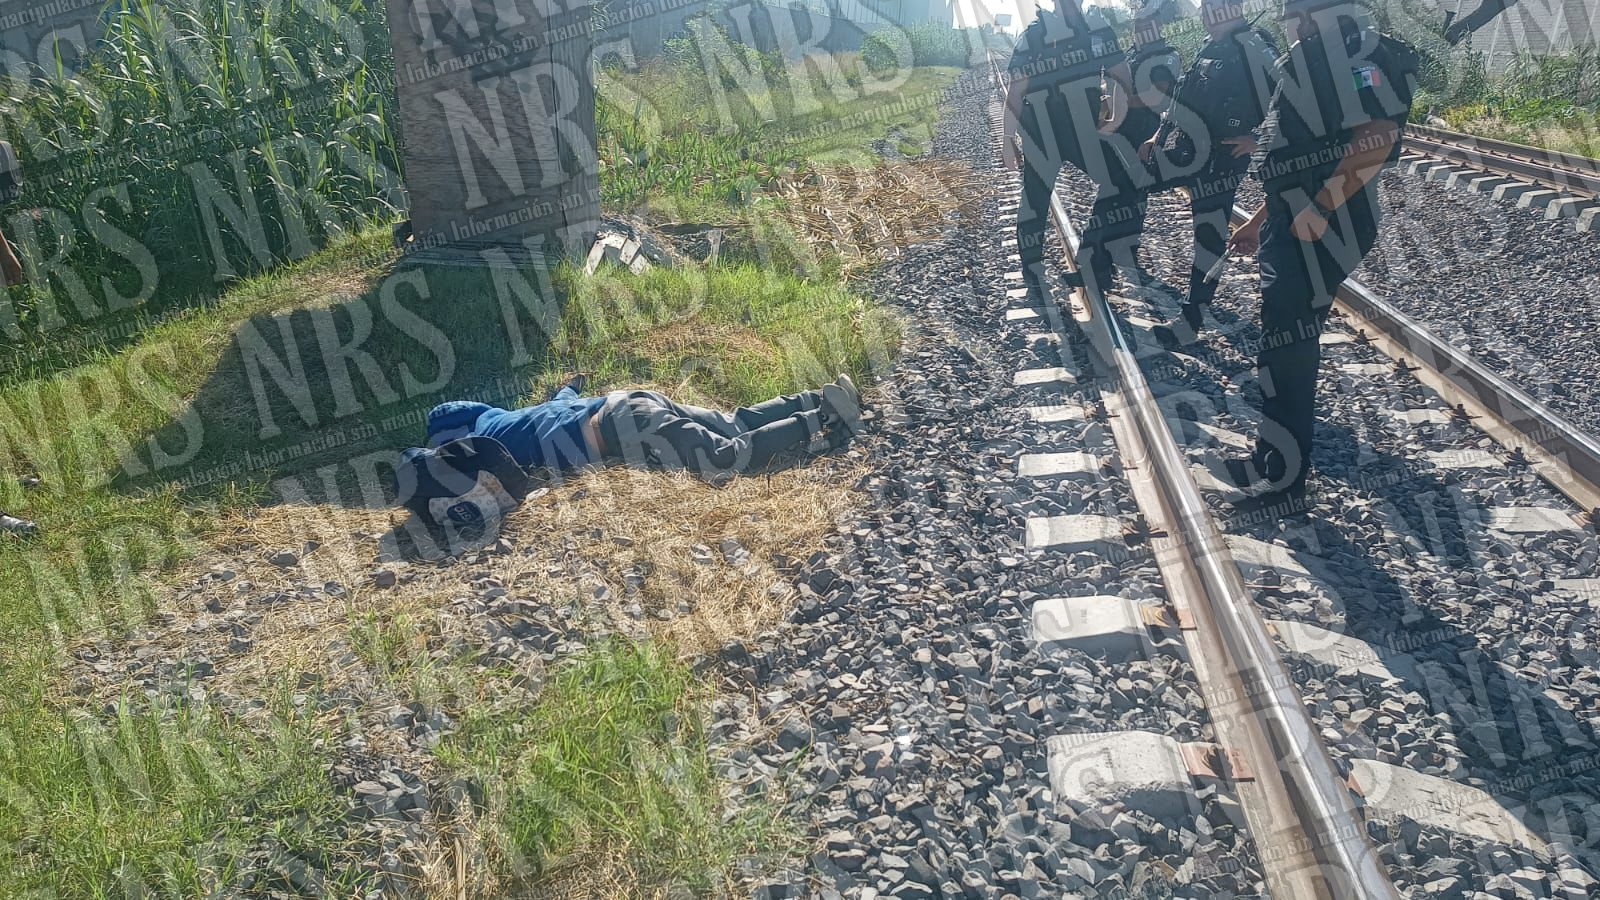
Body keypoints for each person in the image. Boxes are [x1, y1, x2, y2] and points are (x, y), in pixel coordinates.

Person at [1222, 0, 1418, 514]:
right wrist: (1260, 220)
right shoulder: (1306, 57)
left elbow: (1378, 138)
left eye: (1293, 12)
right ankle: (1271, 458)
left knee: (1289, 345)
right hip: (1294, 218)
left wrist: (1320, 207)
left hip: (1328, 222)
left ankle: (1285, 483)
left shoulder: (1358, 53)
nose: (1288, 21)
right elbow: (1289, 156)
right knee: (1278, 340)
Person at [423, 374, 863, 483]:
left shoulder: (489, 444)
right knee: (735, 422)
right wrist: (570, 386)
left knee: (722, 459)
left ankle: (822, 419)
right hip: (630, 401)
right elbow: (561, 401)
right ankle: (815, 398)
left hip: (623, 424)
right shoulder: (512, 417)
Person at [1144, 0, 1282, 342]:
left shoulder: (1257, 46)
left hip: (1223, 157)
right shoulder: (1210, 47)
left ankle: (1190, 322)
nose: (1206, 15)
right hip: (1188, 150)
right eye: (1204, 8)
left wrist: (1256, 138)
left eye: (1214, 8)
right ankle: (1101, 261)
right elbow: (1184, 98)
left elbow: (1289, 100)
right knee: (1126, 185)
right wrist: (1156, 136)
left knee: (1207, 237)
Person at [1001, 0, 1130, 306]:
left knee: (1121, 182)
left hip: (1082, 129)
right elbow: (1016, 90)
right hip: (1041, 129)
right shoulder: (1035, 34)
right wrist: (1007, 139)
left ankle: (1094, 260)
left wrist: (1115, 121)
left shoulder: (1098, 30)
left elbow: (1121, 76)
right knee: (1035, 197)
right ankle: (1032, 271)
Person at [1073, 0, 1182, 297]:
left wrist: (1117, 99)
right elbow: (1111, 84)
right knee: (1126, 198)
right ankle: (1114, 261)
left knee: (1118, 197)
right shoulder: (1134, 54)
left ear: (1159, 24)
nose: (1142, 29)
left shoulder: (1166, 56)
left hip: (1141, 136)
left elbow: (1153, 96)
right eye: (1138, 24)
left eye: (1148, 23)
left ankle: (1095, 266)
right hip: (1119, 134)